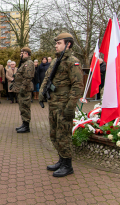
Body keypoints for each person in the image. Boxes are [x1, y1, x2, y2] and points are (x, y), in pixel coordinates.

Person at [39, 33, 84, 177]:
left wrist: (70, 107)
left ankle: (67, 165)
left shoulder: (72, 61)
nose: (55, 45)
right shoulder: (55, 61)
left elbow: (77, 85)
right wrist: (41, 93)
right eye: (56, 43)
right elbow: (47, 78)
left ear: (68, 44)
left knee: (63, 135)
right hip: (54, 103)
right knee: (54, 134)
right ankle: (61, 159)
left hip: (64, 104)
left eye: (59, 43)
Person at [12, 47, 35, 133]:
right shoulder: (24, 63)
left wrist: (22, 88)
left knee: (25, 107)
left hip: (25, 89)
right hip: (22, 89)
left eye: (22, 53)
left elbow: (28, 77)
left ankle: (26, 126)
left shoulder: (29, 63)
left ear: (26, 54)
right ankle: (24, 124)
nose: (20, 55)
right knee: (22, 107)